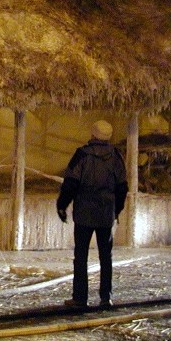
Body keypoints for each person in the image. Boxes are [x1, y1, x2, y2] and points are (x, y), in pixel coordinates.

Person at [56, 120, 129, 309]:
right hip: (105, 213)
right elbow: (122, 186)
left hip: (84, 213)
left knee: (81, 256)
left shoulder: (82, 155)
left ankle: (80, 298)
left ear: (93, 134)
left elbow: (70, 183)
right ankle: (106, 297)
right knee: (106, 257)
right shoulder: (116, 157)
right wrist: (116, 210)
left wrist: (62, 205)